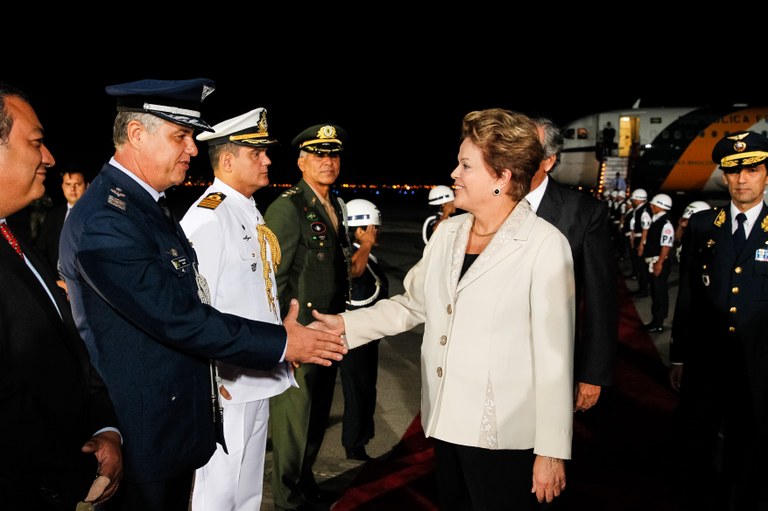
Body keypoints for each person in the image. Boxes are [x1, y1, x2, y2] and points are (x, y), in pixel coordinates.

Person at [58, 79, 347, 511]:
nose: (193, 149)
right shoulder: (108, 218)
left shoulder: (144, 206)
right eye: (181, 136)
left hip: (180, 412)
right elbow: (180, 316)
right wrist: (284, 343)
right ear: (137, 135)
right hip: (150, 426)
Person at [312, 108, 575, 510]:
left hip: (502, 433)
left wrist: (552, 451)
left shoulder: (544, 245)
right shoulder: (449, 232)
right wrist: (343, 324)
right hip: (447, 421)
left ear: (502, 177)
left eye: (466, 165)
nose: (454, 173)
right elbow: (412, 304)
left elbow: (555, 358)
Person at [0, 82, 123, 510]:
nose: (49, 157)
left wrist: (106, 427)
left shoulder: (11, 234)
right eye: (35, 142)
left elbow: (64, 349)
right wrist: (72, 470)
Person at [178, 107, 295, 511]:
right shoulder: (209, 217)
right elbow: (195, 308)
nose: (266, 159)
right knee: (218, 494)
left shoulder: (244, 208)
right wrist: (211, 379)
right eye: (256, 152)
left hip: (255, 374)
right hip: (227, 383)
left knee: (246, 494)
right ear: (227, 160)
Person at [669, 130, 768, 510]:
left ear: (765, 174)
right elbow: (689, 296)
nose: (742, 179)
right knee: (696, 441)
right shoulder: (703, 226)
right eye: (733, 171)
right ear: (723, 176)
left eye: (753, 169)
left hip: (757, 364)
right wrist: (678, 355)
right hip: (707, 361)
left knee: (750, 444)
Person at [264, 122, 353, 511]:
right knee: (293, 419)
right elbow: (273, 279)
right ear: (301, 161)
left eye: (332, 155)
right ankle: (287, 496)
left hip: (330, 330)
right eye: (318, 155)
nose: (327, 162)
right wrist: (286, 334)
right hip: (301, 333)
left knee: (317, 413)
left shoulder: (335, 205)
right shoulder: (288, 207)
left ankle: (306, 481)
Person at [527, 116, 618, 412]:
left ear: (549, 161)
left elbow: (600, 299)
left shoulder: (584, 213)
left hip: (550, 363)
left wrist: (593, 373)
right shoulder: (492, 203)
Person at [340, 198, 389, 461]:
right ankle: (354, 445)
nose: (376, 233)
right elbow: (353, 272)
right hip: (354, 338)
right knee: (357, 391)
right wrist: (366, 244)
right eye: (372, 228)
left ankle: (361, 439)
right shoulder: (353, 255)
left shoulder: (366, 255)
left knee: (366, 389)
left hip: (367, 338)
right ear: (359, 230)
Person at [35, 166, 87, 289]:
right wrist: (54, 282)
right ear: (62, 186)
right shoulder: (53, 216)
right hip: (59, 285)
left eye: (77, 184)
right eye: (68, 184)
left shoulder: (96, 216)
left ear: (87, 185)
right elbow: (41, 252)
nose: (72, 189)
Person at [641, 193, 674, 333]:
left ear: (660, 206)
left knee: (659, 291)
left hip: (658, 261)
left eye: (654, 204)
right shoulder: (657, 220)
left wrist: (659, 263)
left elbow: (666, 245)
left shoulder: (665, 224)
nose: (651, 206)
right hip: (653, 260)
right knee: (655, 291)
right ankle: (656, 319)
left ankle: (658, 321)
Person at [628, 188, 651, 296]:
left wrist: (641, 245)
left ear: (639, 199)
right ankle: (641, 288)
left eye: (634, 199)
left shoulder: (644, 212)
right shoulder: (637, 210)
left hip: (641, 240)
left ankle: (643, 290)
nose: (633, 201)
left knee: (642, 267)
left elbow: (645, 229)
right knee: (639, 266)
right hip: (638, 239)